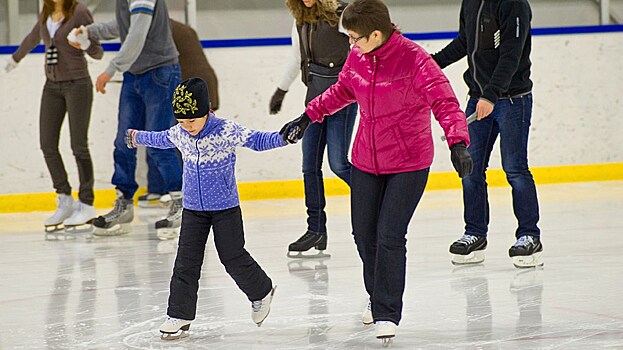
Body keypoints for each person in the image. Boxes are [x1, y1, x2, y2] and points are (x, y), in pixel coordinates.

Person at [280, 0, 472, 343]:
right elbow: (342, 90)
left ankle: (386, 312)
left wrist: (458, 141)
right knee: (363, 234)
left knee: (389, 236)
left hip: (408, 162)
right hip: (367, 158)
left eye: (355, 38)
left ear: (378, 34)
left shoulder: (415, 60)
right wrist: (308, 116)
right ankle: (375, 295)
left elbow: (445, 101)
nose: (351, 44)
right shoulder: (358, 57)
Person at [125, 77, 286, 339]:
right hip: (193, 209)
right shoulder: (179, 131)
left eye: (192, 120)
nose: (187, 126)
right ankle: (179, 314)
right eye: (182, 121)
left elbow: (257, 140)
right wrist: (135, 137)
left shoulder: (225, 130)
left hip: (225, 208)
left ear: (206, 111)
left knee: (232, 256)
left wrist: (284, 138)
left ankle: (261, 292)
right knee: (186, 262)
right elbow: (160, 138)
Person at [431, 0, 543, 268]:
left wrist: (491, 95)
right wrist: (431, 65)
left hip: (512, 99)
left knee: (515, 169)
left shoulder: (513, 4)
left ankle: (529, 235)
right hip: (479, 98)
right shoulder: (471, 2)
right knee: (470, 169)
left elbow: (511, 55)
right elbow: (463, 42)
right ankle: (475, 234)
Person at [68, 0, 184, 236]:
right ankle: (124, 202)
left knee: (157, 143)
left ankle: (182, 202)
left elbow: (136, 36)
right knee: (124, 141)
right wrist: (90, 31)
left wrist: (110, 69)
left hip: (161, 72)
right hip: (135, 73)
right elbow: (123, 26)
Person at [4, 0, 103, 233]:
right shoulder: (47, 11)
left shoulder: (79, 12)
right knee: (47, 143)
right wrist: (16, 58)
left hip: (77, 84)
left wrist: (85, 43)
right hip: (52, 86)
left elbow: (97, 52)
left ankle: (86, 202)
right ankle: (65, 198)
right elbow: (33, 36)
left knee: (78, 145)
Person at [270, 0, 358, 257]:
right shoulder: (300, 19)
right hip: (314, 98)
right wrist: (281, 90)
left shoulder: (342, 15)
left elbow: (359, 48)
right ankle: (316, 229)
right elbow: (297, 56)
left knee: (339, 164)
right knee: (310, 166)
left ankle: (373, 197)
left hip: (343, 98)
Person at [135, 18, 222, 212]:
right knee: (167, 134)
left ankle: (185, 190)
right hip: (198, 84)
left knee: (177, 139)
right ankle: (160, 188)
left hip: (190, 88)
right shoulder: (178, 27)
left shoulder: (159, 29)